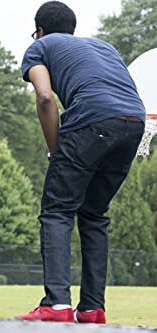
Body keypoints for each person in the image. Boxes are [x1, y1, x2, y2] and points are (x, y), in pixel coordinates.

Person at [17, 1, 145, 324]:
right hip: (133, 122)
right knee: (93, 213)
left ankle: (57, 304)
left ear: (39, 30)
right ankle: (92, 308)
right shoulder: (104, 47)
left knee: (57, 209)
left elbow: (45, 97)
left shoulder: (40, 47)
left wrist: (54, 150)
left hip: (92, 119)